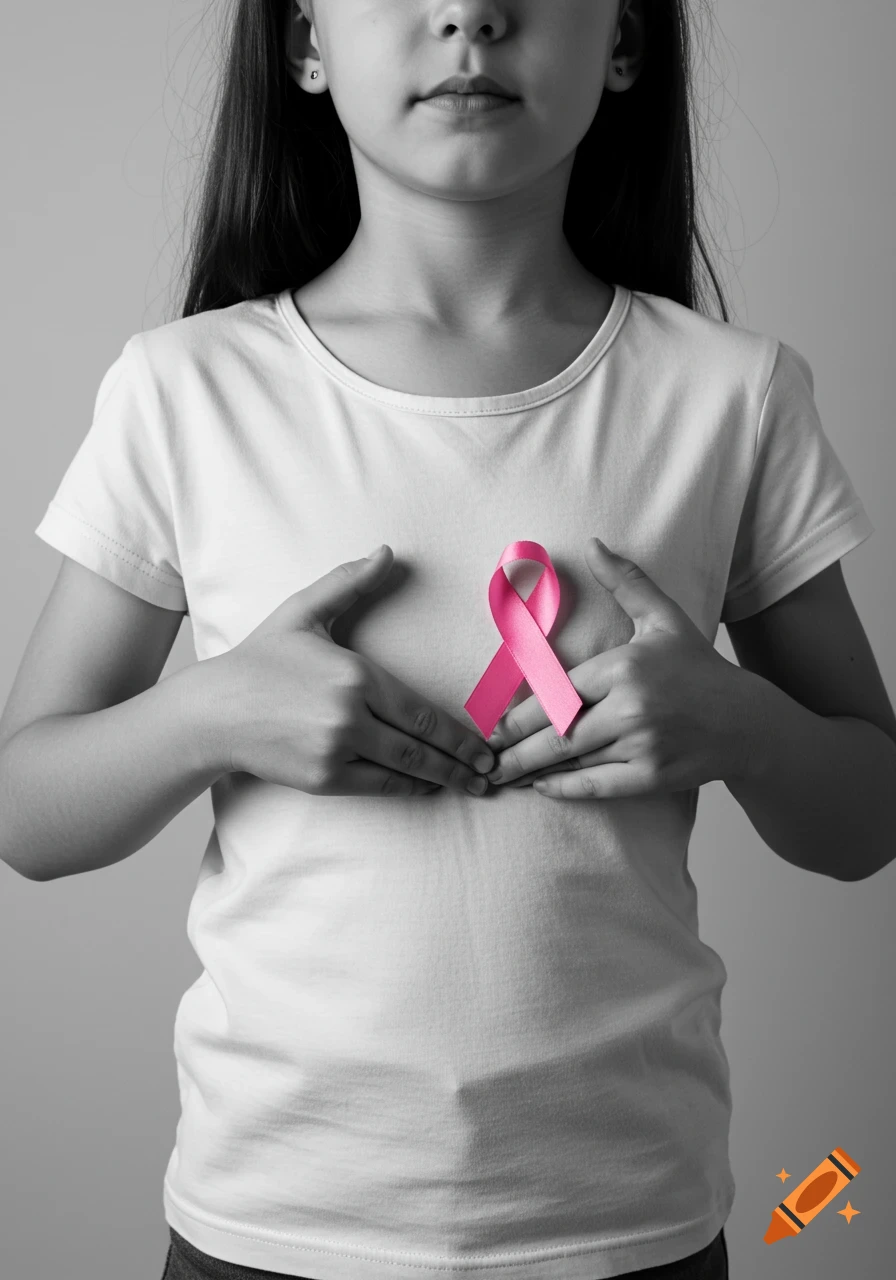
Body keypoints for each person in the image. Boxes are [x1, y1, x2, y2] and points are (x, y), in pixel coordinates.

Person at [2, 1, 894, 1277]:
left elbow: (867, 818)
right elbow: (25, 811)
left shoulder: (731, 395)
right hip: (268, 1226)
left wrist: (741, 726)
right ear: (304, 43)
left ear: (624, 43)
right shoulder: (184, 389)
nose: (469, 13)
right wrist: (209, 714)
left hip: (631, 1226)